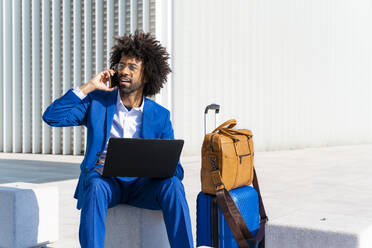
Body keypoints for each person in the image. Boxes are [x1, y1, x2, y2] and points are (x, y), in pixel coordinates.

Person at [42, 30, 194, 248]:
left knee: (173, 186)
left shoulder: (160, 116)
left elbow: (176, 170)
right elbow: (52, 117)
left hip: (143, 187)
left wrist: (158, 168)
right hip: (106, 183)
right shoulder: (97, 102)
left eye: (133, 67)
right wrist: (89, 87)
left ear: (148, 75)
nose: (124, 71)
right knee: (94, 185)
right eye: (121, 65)